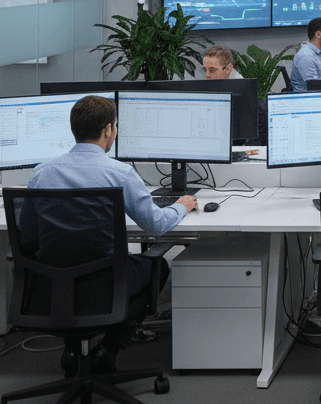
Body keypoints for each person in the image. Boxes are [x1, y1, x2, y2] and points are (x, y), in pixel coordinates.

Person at [27, 95, 197, 372]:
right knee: (158, 266)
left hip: (51, 286)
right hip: (105, 286)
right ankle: (109, 348)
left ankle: (72, 349)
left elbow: (30, 234)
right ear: (109, 130)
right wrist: (181, 206)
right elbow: (155, 225)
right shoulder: (119, 174)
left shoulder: (41, 174)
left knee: (75, 268)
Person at [290, 16, 321, 92]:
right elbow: (315, 88)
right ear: (318, 34)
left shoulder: (317, 53)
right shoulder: (306, 56)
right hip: (307, 100)